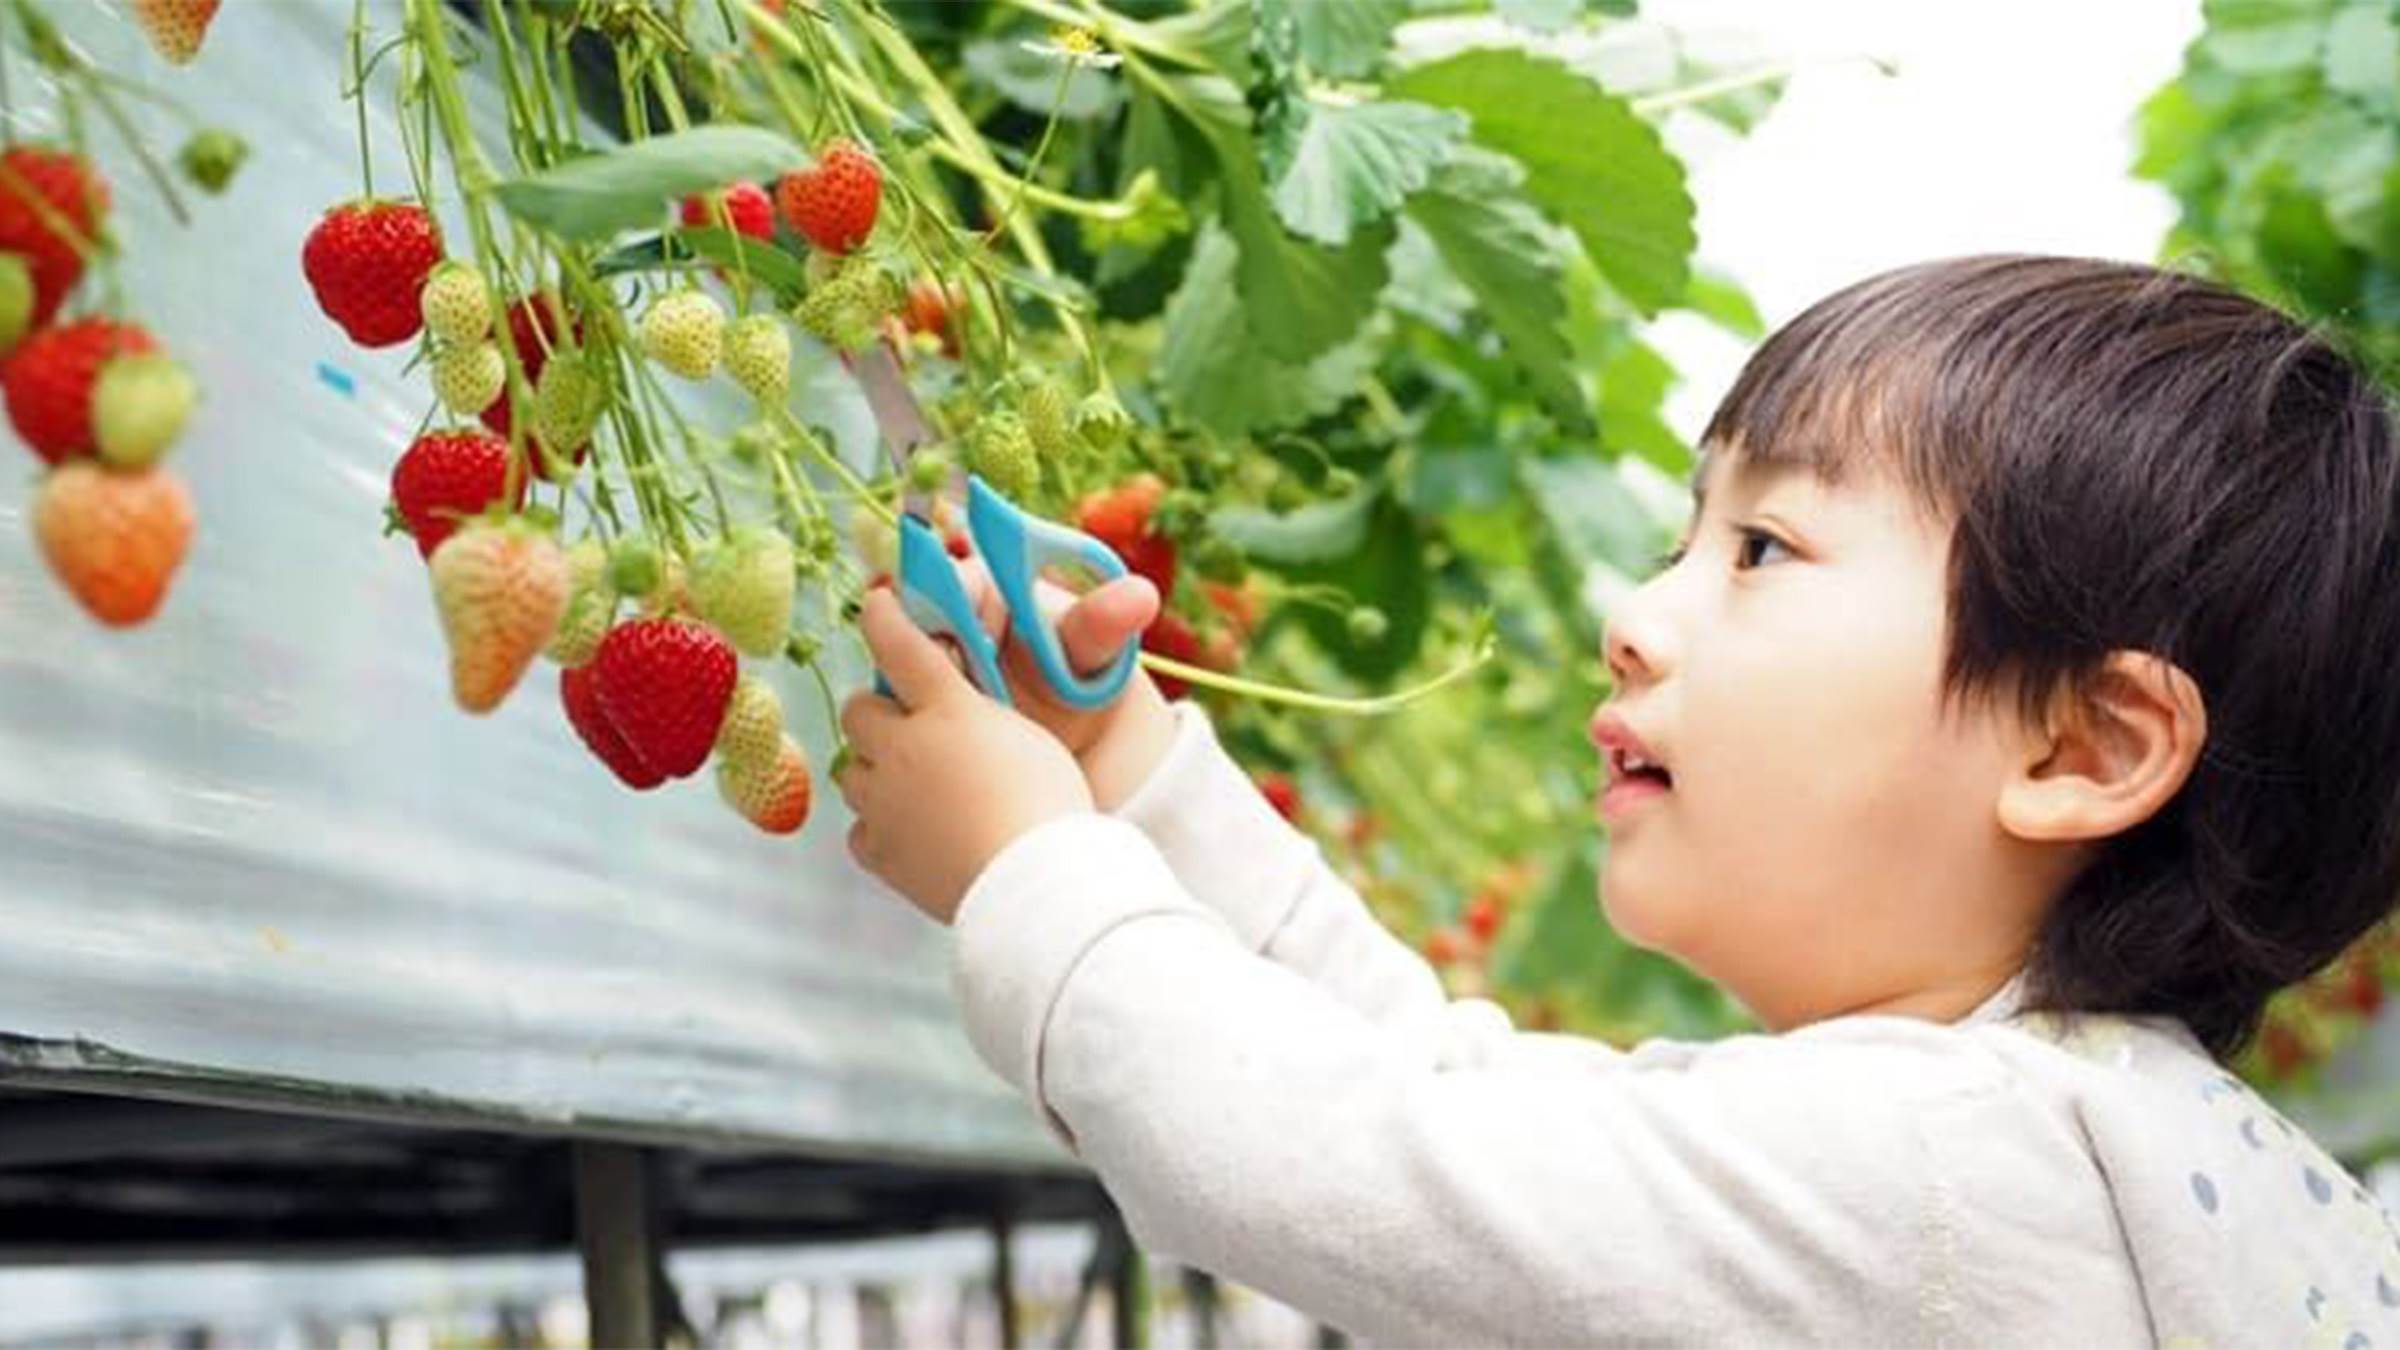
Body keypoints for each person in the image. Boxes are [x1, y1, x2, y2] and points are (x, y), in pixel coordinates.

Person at [832, 253, 2400, 1347]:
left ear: (2083, 747)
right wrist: (1123, 766)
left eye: (1762, 551)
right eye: (1683, 537)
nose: (1635, 615)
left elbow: (1341, 1162)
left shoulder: (1952, 1171)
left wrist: (1029, 865)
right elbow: (1446, 1101)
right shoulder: (2061, 1145)